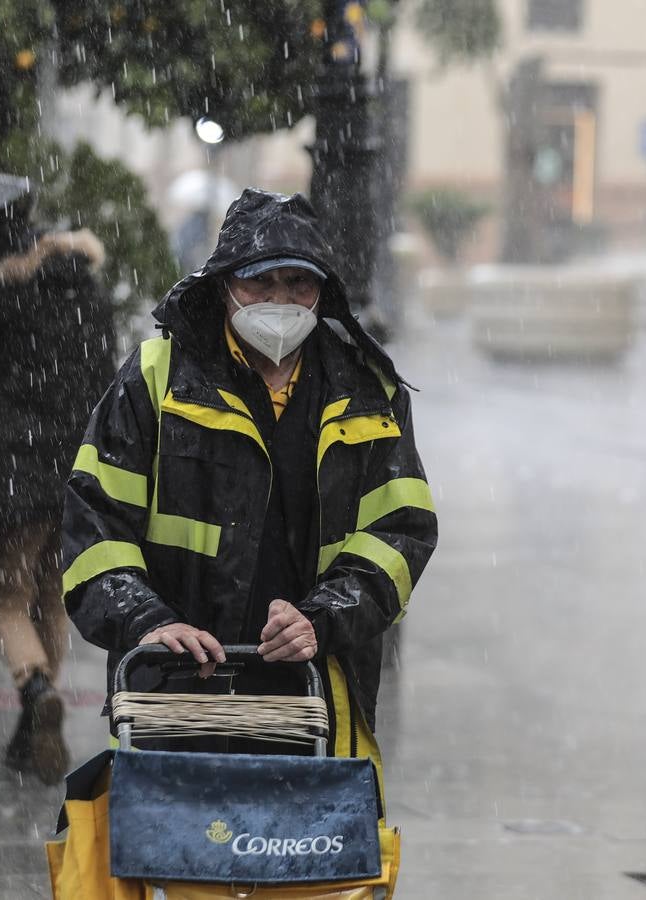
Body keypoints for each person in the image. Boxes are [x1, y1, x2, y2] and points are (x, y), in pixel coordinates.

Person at [62, 188, 437, 764]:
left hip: (318, 695)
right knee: (179, 845)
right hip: (175, 691)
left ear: (323, 292)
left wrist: (321, 618)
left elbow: (401, 530)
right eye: (261, 282)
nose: (280, 301)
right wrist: (148, 622)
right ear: (223, 284)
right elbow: (95, 522)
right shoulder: (155, 379)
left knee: (309, 846)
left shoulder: (369, 390)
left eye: (298, 284)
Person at [0, 199, 116, 784]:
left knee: (5, 596)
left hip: (16, 466)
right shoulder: (89, 291)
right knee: (51, 597)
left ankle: (34, 686)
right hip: (77, 466)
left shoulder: (3, 294)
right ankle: (34, 729)